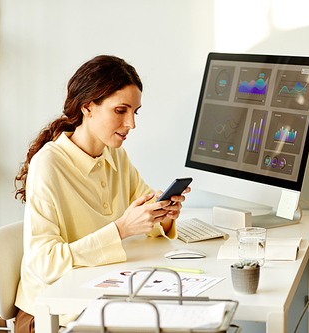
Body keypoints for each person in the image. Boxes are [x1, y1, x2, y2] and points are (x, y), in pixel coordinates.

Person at [13, 55, 189, 333]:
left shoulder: (115, 157)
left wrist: (163, 214)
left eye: (135, 111)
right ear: (87, 107)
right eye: (121, 110)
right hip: (51, 315)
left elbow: (143, 212)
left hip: (100, 299)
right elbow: (44, 264)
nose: (131, 123)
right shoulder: (49, 164)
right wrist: (119, 230)